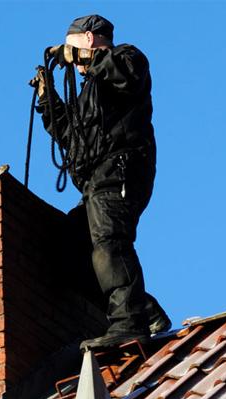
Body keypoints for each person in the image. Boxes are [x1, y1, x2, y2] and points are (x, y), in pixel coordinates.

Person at [33, 14, 171, 351]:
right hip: (95, 181)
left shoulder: (128, 58)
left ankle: (129, 324)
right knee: (69, 252)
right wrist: (48, 99)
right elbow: (73, 137)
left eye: (73, 48)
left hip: (121, 169)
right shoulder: (89, 92)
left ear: (91, 39)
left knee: (110, 241)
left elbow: (124, 76)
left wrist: (78, 57)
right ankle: (144, 310)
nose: (73, 63)